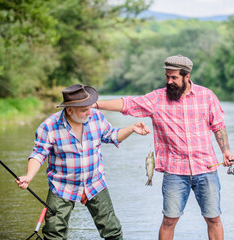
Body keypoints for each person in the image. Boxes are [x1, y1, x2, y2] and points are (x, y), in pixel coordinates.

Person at [95, 54, 234, 240]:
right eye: (167, 76)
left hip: (206, 169)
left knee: (213, 218)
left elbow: (218, 126)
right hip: (175, 172)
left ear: (187, 76)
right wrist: (95, 104)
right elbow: (127, 104)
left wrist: (226, 151)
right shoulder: (157, 98)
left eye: (174, 77)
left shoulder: (207, 96)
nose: (169, 81)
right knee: (169, 220)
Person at [15, 84, 151, 240]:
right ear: (69, 109)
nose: (89, 112)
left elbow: (112, 135)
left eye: (90, 107)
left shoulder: (96, 117)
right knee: (54, 233)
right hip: (62, 186)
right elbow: (39, 154)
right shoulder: (49, 126)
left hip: (95, 182)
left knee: (112, 231)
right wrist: (29, 176)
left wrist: (132, 127)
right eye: (84, 110)